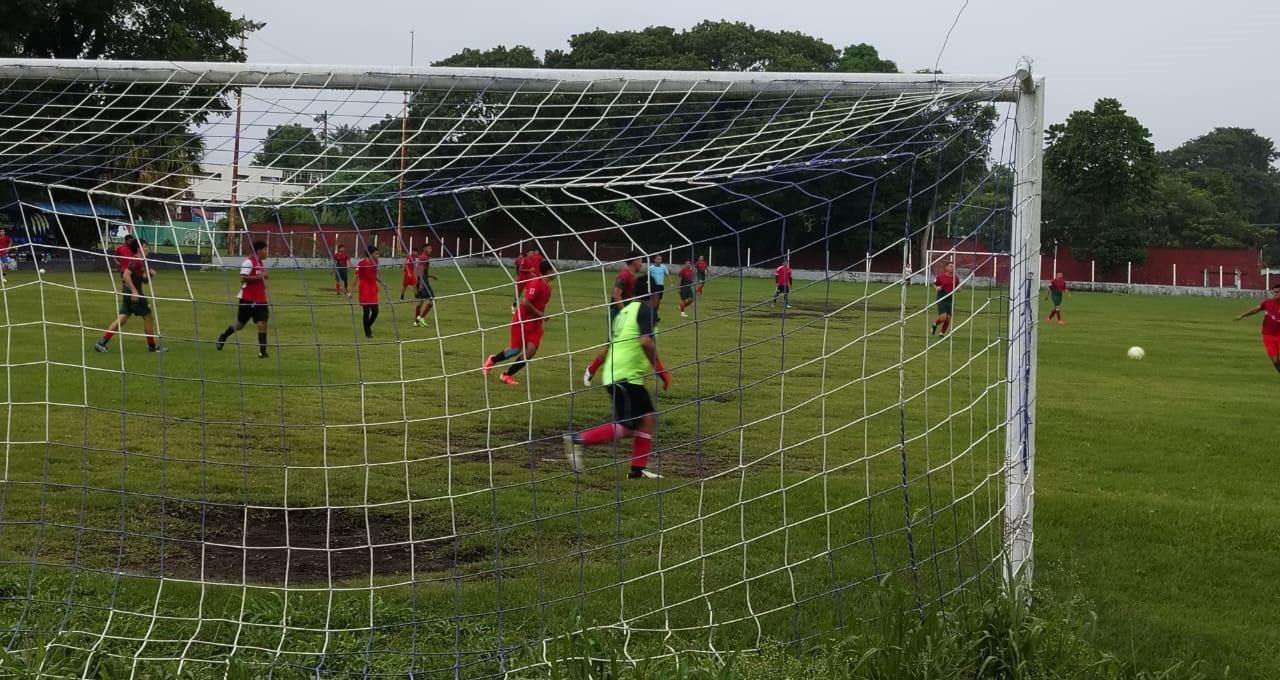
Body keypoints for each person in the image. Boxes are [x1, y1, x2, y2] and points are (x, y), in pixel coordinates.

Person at [562, 276, 672, 480]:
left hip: (620, 374)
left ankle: (637, 471)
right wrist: (661, 370)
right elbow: (645, 342)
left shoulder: (625, 311)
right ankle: (578, 440)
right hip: (624, 376)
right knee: (627, 426)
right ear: (654, 295)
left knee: (647, 418)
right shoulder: (646, 310)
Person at [484, 258, 554, 386]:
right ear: (549, 272)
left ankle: (506, 375)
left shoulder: (548, 288)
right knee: (515, 349)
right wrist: (541, 314)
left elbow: (540, 305)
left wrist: (539, 319)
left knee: (530, 352)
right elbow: (525, 302)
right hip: (521, 320)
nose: (556, 272)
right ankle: (492, 360)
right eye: (554, 270)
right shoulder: (536, 283)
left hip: (535, 323)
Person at [94, 238, 168, 353]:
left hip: (127, 293)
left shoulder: (141, 261)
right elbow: (126, 275)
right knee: (148, 318)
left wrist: (150, 274)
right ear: (139, 249)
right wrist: (134, 291)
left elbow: (144, 280)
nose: (147, 248)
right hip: (134, 295)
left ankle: (101, 343)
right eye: (145, 246)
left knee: (122, 319)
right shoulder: (136, 260)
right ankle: (152, 347)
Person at [583, 256, 644, 386]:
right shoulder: (624, 275)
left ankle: (622, 376)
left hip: (624, 315)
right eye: (640, 260)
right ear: (634, 261)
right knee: (612, 347)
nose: (642, 263)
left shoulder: (632, 276)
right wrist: (625, 313)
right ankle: (591, 370)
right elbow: (616, 295)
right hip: (617, 315)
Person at [215, 240, 271, 358]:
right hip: (248, 299)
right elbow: (242, 278)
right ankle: (224, 336)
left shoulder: (260, 263)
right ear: (259, 251)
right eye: (265, 250)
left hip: (261, 299)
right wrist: (260, 276)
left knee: (262, 323)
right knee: (240, 324)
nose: (267, 252)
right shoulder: (249, 262)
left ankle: (262, 352)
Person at [1235, 282, 1280, 375]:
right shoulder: (1267, 303)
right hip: (1268, 336)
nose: (1275, 294)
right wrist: (1243, 315)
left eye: (1277, 292)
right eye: (1274, 292)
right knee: (1275, 361)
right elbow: (1256, 309)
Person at [356, 245, 384, 338]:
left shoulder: (376, 262)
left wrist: (381, 282)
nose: (377, 256)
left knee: (375, 311)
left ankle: (367, 326)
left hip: (373, 289)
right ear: (370, 254)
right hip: (364, 289)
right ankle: (367, 332)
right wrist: (350, 291)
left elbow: (374, 275)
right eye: (376, 254)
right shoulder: (362, 264)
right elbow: (356, 277)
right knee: (366, 312)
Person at [413, 244, 438, 327]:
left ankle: (416, 321)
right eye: (429, 248)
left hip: (421, 280)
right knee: (432, 299)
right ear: (424, 249)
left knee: (421, 301)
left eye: (431, 248)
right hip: (423, 282)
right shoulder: (424, 258)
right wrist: (421, 284)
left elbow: (422, 271)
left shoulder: (423, 257)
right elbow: (421, 271)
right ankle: (421, 318)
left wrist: (430, 276)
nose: (431, 249)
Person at [931, 261, 957, 337]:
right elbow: (934, 284)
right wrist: (936, 288)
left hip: (950, 300)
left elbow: (958, 287)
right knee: (943, 317)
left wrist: (958, 289)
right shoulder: (940, 276)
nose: (952, 268)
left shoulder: (956, 278)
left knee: (948, 318)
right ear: (946, 268)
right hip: (941, 298)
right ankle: (934, 324)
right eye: (950, 266)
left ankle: (942, 333)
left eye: (953, 266)